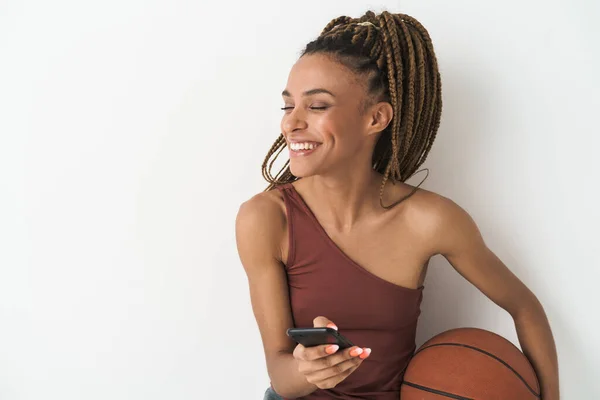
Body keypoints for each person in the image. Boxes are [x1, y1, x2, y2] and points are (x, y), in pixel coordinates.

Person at [235, 10, 559, 400]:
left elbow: (525, 308)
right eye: (289, 107)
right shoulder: (267, 218)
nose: (292, 123)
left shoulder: (431, 220)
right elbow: (281, 376)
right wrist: (311, 370)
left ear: (376, 117)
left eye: (317, 106)